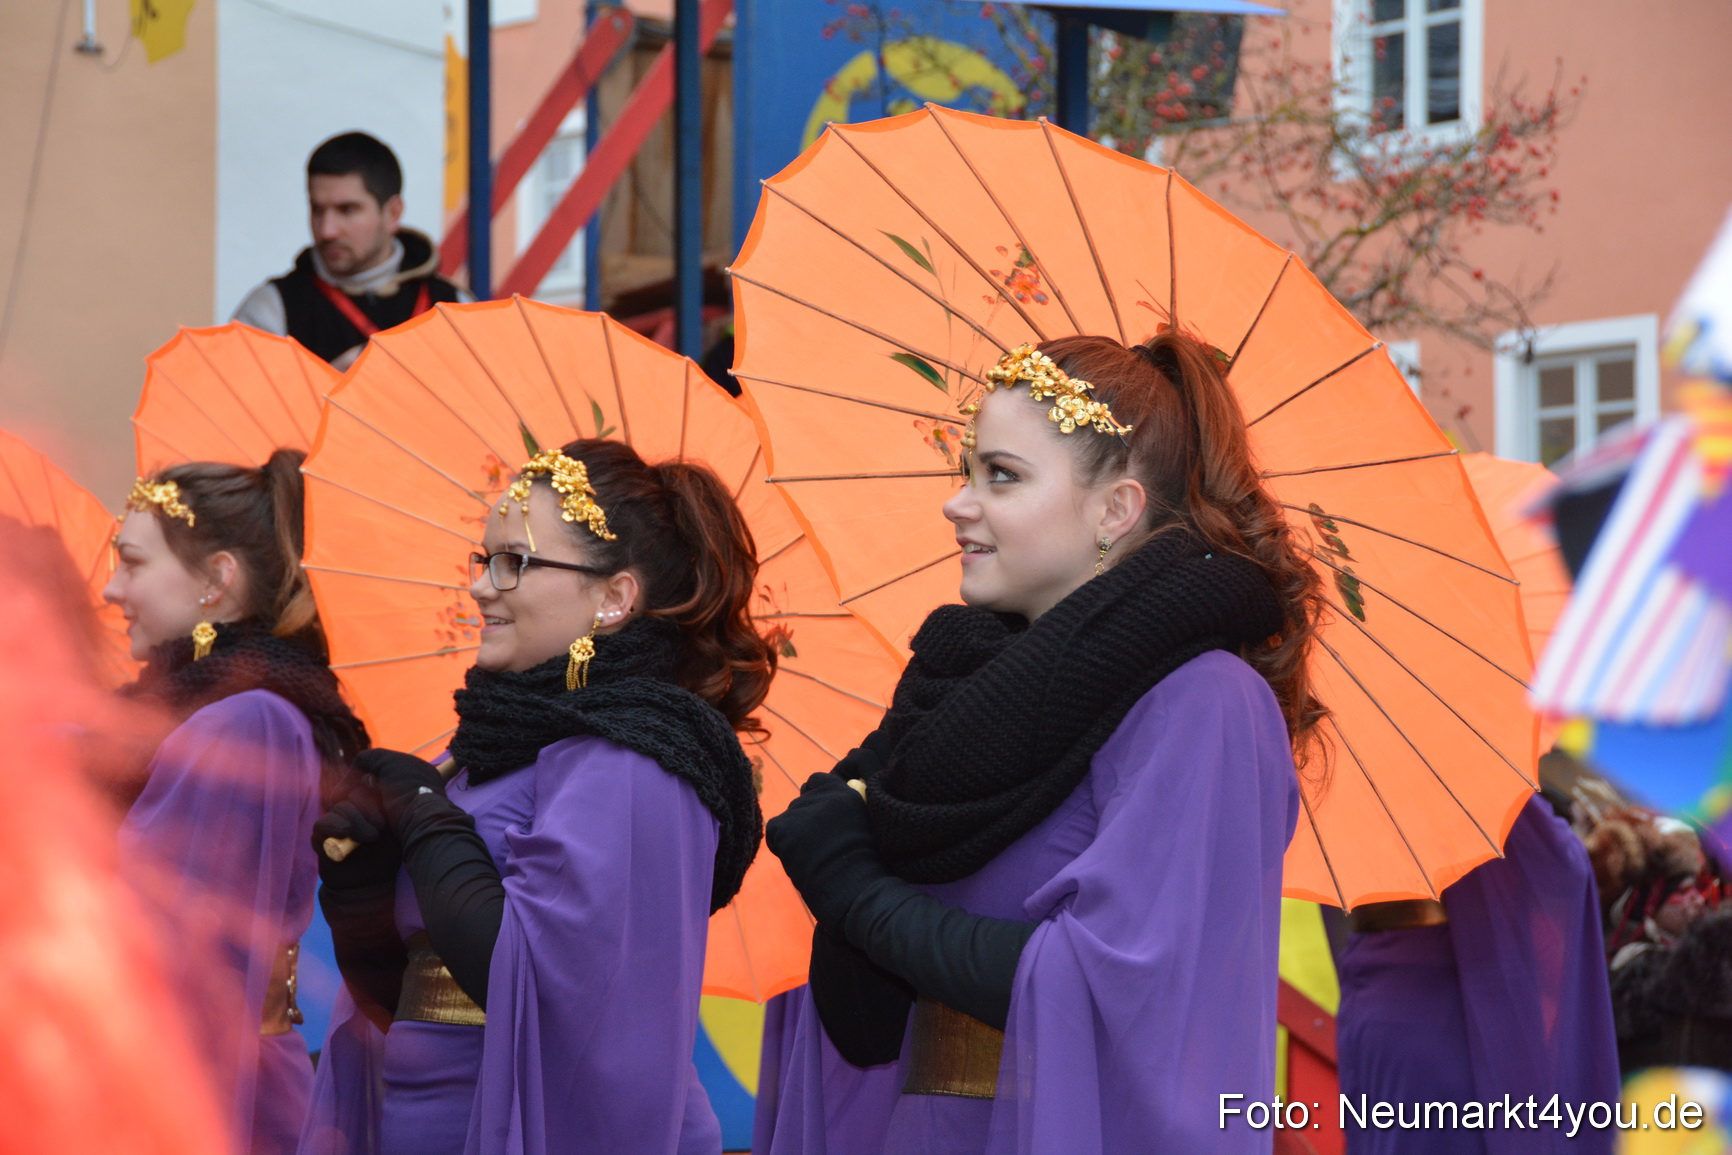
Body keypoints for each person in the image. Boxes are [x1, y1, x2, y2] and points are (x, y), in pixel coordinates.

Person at [756, 333, 1324, 1154]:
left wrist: (857, 891)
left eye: (1002, 476)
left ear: (1114, 511)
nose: (958, 503)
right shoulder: (957, 690)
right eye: (968, 471)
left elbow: (1110, 989)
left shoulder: (1205, 702)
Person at [302, 440, 770, 1155]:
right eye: (483, 559)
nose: (484, 586)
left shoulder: (638, 759)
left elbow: (537, 987)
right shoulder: (481, 753)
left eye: (515, 562)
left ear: (613, 598)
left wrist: (428, 815)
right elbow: (404, 1001)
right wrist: (359, 886)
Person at [103, 452, 369, 1155]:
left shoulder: (242, 721)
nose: (109, 587)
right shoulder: (201, 713)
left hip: (207, 1103)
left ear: (217, 581)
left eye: (131, 561)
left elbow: (181, 967)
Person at [1335, 794, 1622, 1155]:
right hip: (1449, 1003)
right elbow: (1561, 864)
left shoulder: (1351, 767)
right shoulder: (1452, 767)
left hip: (1376, 995)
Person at [233, 132, 468, 368]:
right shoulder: (271, 310)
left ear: (393, 213)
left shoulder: (454, 307)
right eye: (317, 209)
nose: (327, 231)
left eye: (347, 210)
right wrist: (329, 389)